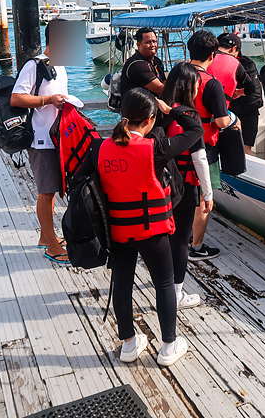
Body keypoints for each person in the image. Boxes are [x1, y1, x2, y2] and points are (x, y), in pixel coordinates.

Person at [83, 87, 204, 366]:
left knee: (122, 284)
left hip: (118, 231)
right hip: (153, 231)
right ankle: (168, 347)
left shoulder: (99, 148)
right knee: (163, 283)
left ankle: (128, 344)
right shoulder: (155, 148)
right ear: (150, 119)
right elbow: (195, 129)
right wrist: (170, 109)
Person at [10, 21, 82, 264]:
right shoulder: (34, 65)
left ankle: (45, 236)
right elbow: (16, 98)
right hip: (41, 138)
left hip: (57, 136)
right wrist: (47, 100)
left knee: (51, 191)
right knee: (46, 191)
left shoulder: (60, 67)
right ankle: (52, 245)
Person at [159, 63, 214, 308]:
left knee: (164, 236)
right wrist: (208, 193)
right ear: (189, 87)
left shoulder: (159, 111)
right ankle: (177, 293)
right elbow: (199, 158)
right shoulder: (189, 116)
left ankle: (163, 283)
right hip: (185, 185)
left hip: (161, 183)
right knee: (181, 239)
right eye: (196, 86)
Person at [187, 30, 238, 261]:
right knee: (203, 199)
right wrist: (233, 120)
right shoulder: (212, 84)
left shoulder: (177, 76)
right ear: (212, 55)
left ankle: (181, 237)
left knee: (182, 195)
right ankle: (196, 247)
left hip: (178, 144)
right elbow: (221, 121)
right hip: (204, 147)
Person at [218, 33, 262, 154]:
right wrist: (240, 92)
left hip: (230, 110)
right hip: (248, 109)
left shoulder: (215, 63)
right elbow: (255, 89)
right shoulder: (248, 63)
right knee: (246, 148)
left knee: (229, 149)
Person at [119, 27, 166, 97]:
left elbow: (164, 82)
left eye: (154, 41)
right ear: (138, 45)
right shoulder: (136, 64)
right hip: (137, 105)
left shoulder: (156, 61)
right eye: (148, 42)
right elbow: (160, 90)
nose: (152, 45)